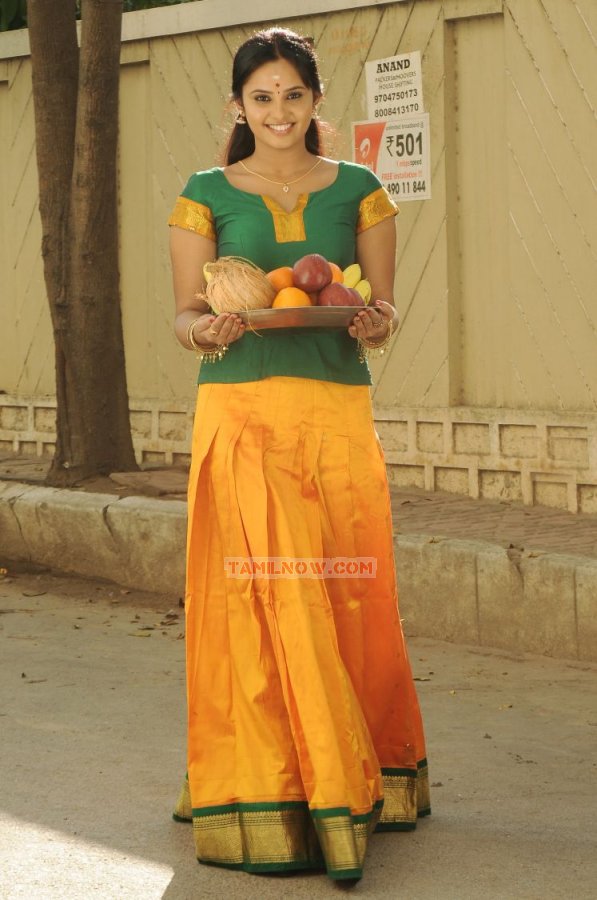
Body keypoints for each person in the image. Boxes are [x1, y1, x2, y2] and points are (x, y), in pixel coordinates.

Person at [167, 27, 430, 883]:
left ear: (315, 100)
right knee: (263, 600)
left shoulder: (360, 190)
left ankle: (362, 775)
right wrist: (204, 327)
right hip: (240, 410)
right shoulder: (204, 192)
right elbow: (183, 315)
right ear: (237, 108)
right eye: (261, 96)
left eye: (291, 94)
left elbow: (383, 309)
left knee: (347, 592)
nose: (277, 111)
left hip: (334, 414)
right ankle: (284, 792)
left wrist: (374, 319)